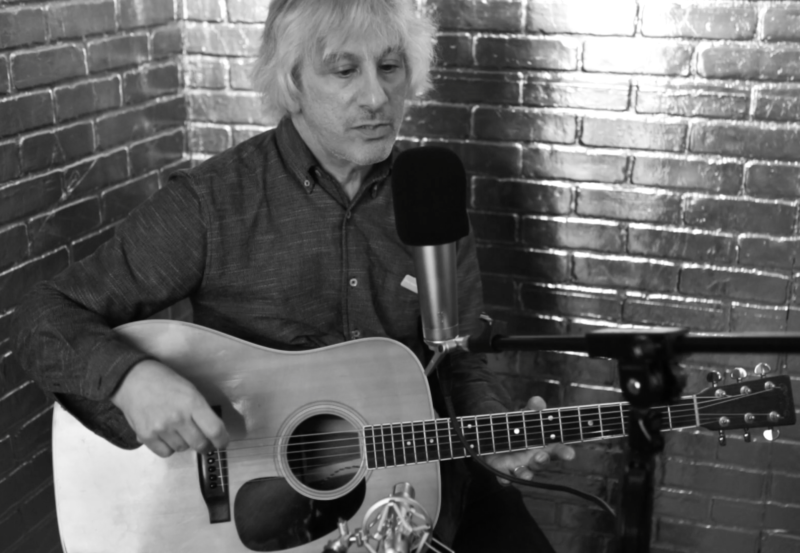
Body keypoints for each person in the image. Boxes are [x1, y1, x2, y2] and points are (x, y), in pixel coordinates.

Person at [12, 0, 574, 550]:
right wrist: (129, 379)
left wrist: (492, 429)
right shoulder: (211, 204)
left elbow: (459, 357)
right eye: (345, 70)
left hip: (414, 481)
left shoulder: (432, 198)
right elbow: (44, 316)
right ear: (293, 81)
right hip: (248, 511)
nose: (377, 97)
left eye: (390, 66)